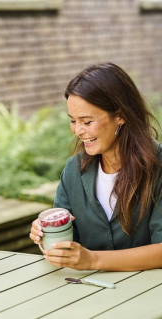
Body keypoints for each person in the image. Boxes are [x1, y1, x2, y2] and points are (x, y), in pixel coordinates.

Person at [30, 62, 162, 271]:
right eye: (73, 121)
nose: (78, 130)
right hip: (89, 291)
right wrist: (45, 233)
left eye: (87, 121)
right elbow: (66, 242)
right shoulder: (74, 170)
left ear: (120, 116)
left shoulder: (158, 167)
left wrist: (92, 260)